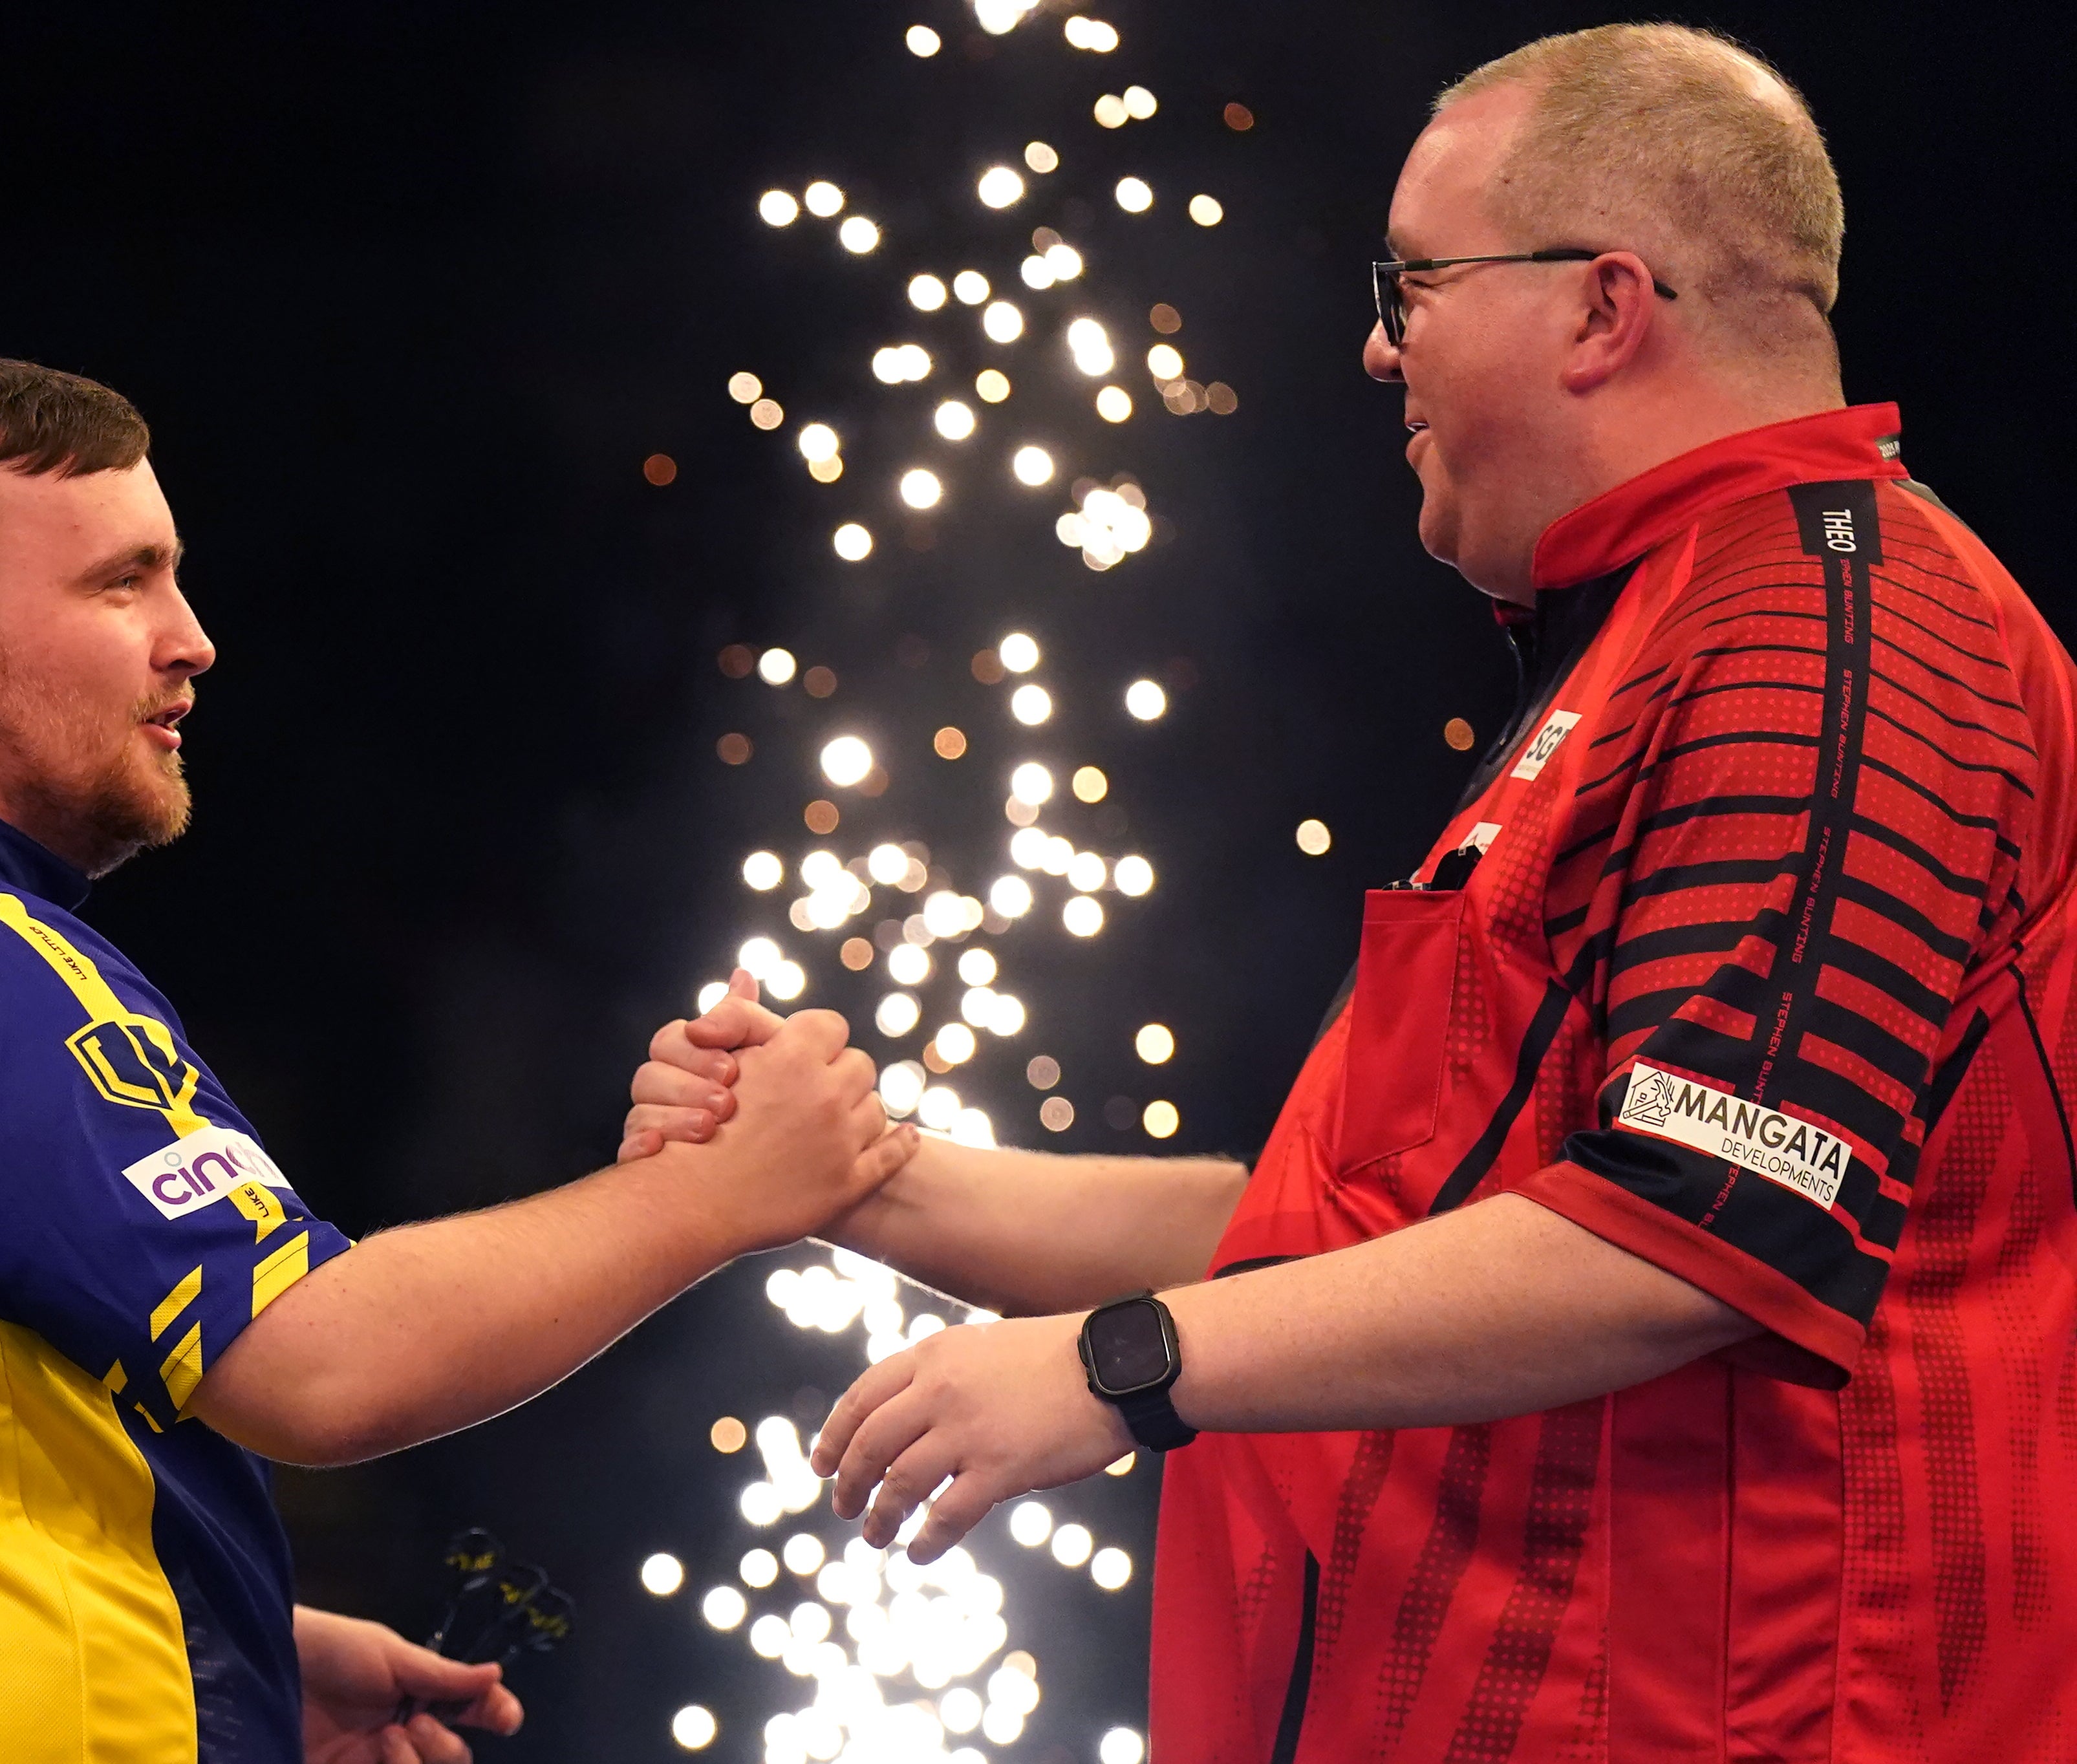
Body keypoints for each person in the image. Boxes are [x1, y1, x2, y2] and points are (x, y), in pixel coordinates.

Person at [625, 25, 2073, 1761]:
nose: (1376, 346)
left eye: (1415, 281)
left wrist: (1114, 1368)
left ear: (1603, 309)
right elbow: (1340, 1244)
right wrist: (856, 1176)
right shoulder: (1661, 639)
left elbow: (1697, 1231)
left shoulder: (1832, 638)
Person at [0, 354, 913, 1764]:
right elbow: (322, 1364)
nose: (191, 636)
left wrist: (214, 1639)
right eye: (121, 582)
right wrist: (727, 1189)